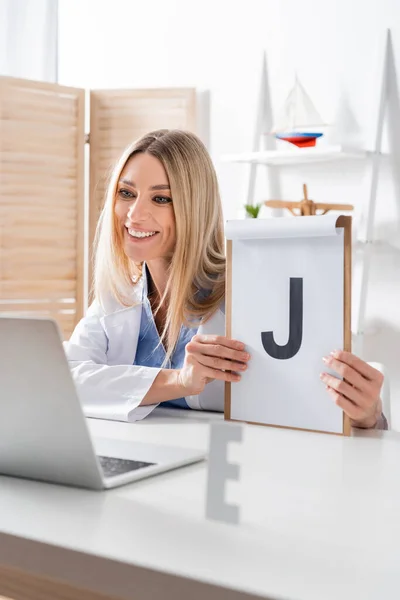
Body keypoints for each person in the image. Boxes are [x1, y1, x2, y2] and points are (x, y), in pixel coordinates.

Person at [64, 129, 386, 428]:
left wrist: (368, 415)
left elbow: (316, 404)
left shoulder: (247, 292)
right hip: (152, 464)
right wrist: (179, 381)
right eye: (126, 192)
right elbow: (64, 379)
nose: (134, 214)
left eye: (161, 198)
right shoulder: (117, 298)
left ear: (195, 206)